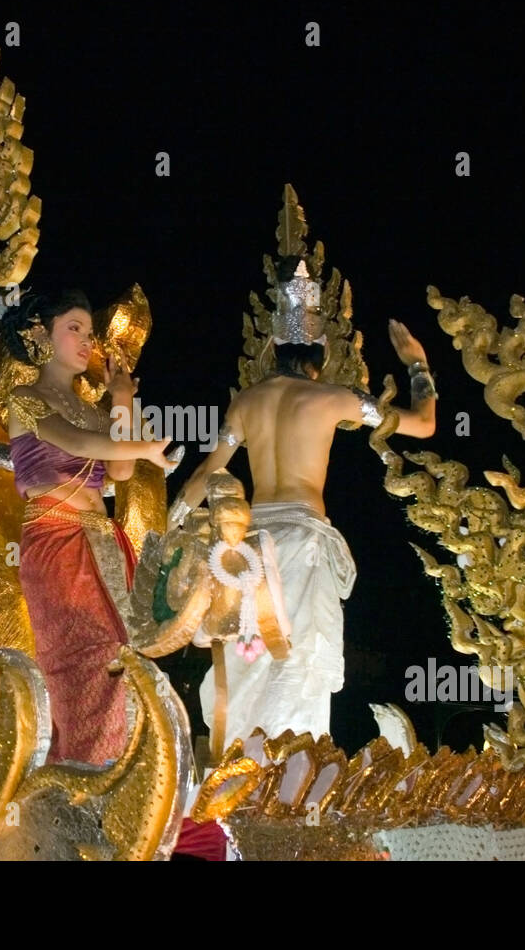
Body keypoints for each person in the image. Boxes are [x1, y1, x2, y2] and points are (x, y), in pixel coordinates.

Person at [167, 258, 438, 745]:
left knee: (249, 657)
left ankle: (242, 773)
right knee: (298, 662)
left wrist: (171, 526)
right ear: (325, 351)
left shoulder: (246, 402)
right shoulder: (335, 398)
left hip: (250, 546)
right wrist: (418, 364)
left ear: (271, 347)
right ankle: (290, 787)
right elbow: (423, 424)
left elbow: (208, 473)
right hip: (303, 544)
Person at [0, 290, 176, 764]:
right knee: (82, 662)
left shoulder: (94, 411)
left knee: (122, 656)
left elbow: (118, 473)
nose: (85, 340)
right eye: (73, 328)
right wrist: (140, 448)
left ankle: (120, 775)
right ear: (41, 333)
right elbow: (74, 440)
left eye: (89, 332)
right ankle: (80, 778)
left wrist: (122, 399)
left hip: (102, 539)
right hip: (56, 538)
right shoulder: (26, 399)